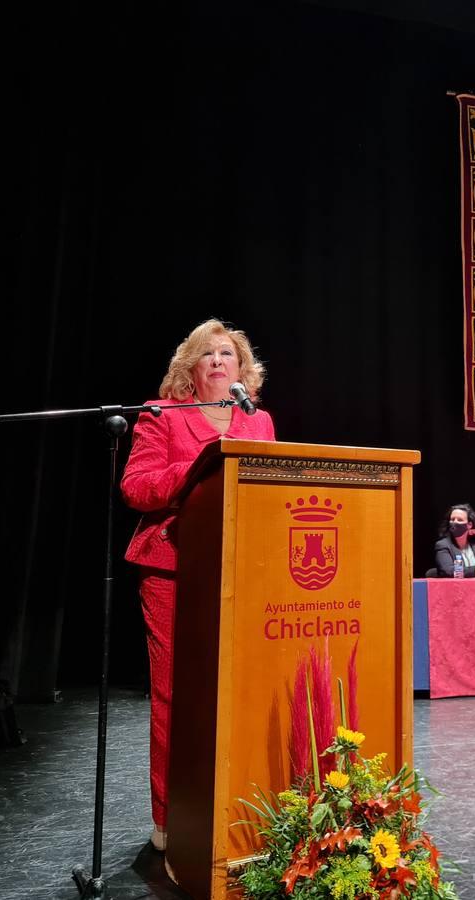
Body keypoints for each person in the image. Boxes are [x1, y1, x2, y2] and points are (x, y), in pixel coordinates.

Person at [120, 319, 276, 851]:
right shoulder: (161, 415)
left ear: (241, 369)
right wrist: (199, 467)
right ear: (190, 367)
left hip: (242, 570)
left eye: (227, 353)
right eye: (206, 353)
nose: (217, 360)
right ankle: (169, 818)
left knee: (239, 691)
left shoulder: (260, 422)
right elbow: (136, 487)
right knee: (174, 695)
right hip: (172, 568)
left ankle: (238, 807)